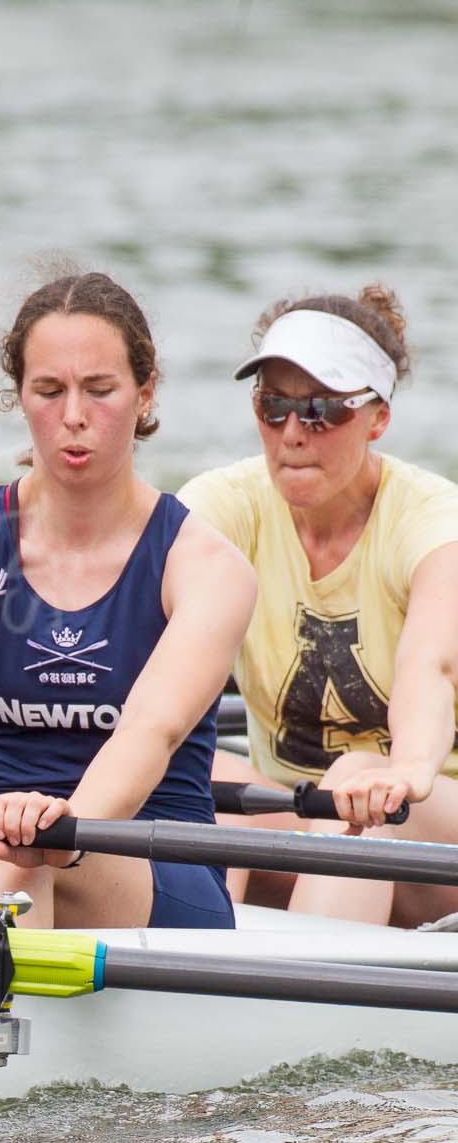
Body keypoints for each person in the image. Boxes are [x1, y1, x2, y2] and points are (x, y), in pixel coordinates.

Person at [0, 270, 256, 930]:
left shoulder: (203, 566)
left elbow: (151, 729)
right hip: (8, 853)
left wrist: (63, 830)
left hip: (155, 872)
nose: (75, 416)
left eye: (100, 389)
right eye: (49, 390)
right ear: (20, 397)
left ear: (145, 394)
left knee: (23, 854)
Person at [180, 285, 458, 926]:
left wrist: (409, 768)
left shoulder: (432, 523)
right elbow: (132, 621)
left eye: (322, 411)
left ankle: (304, 1012)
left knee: (361, 779)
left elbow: (434, 666)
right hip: (308, 819)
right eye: (272, 405)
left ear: (378, 417)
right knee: (206, 774)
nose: (291, 433)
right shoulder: (226, 506)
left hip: (433, 824)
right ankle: (195, 972)